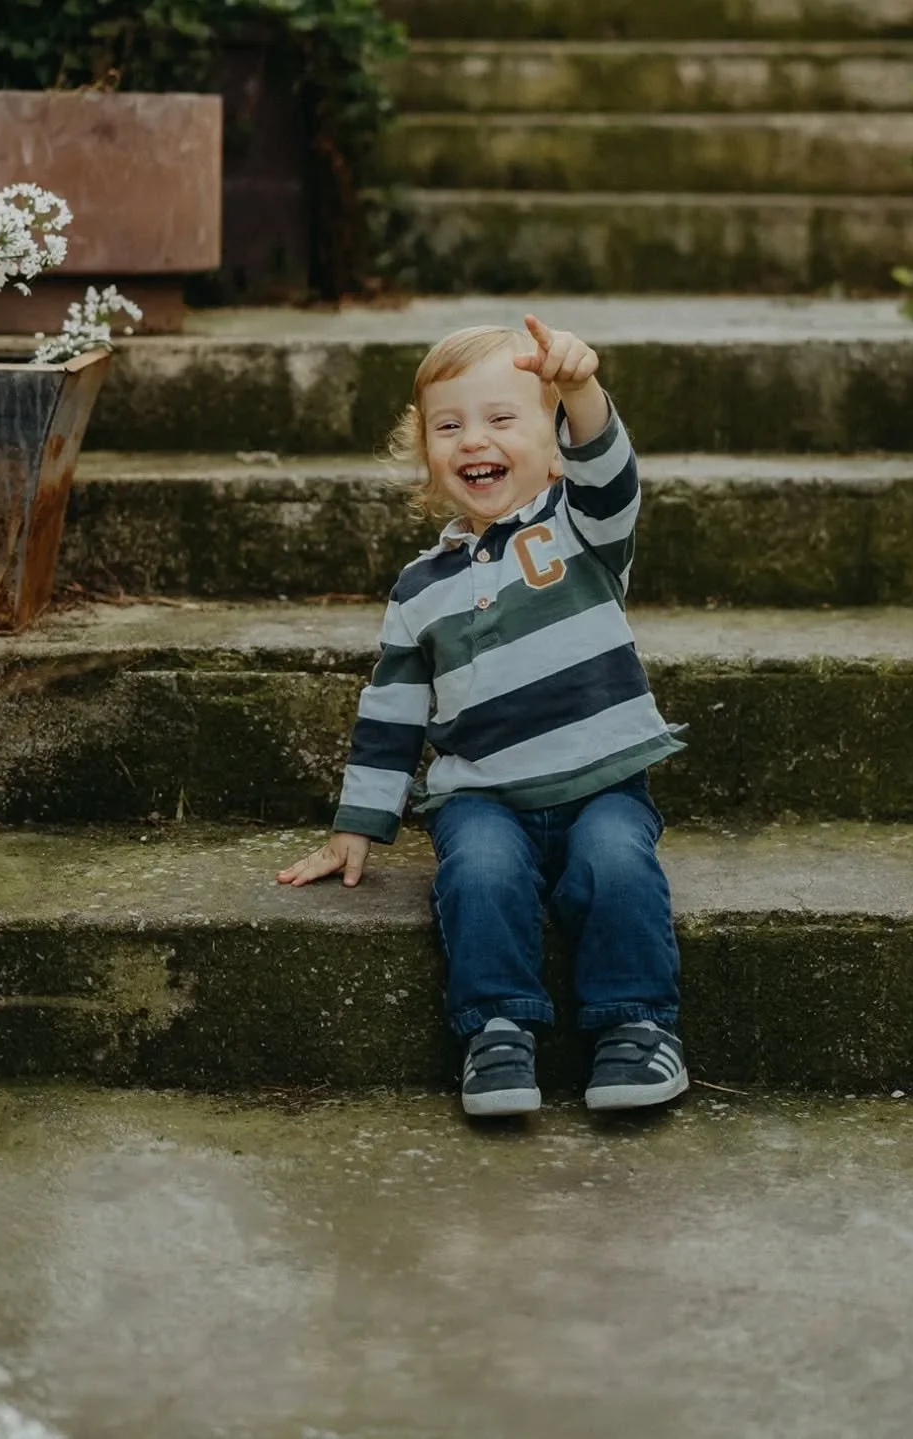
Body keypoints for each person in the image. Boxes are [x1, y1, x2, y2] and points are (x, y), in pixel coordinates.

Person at [277, 315, 688, 1118]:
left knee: (615, 862)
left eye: (503, 419)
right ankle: (497, 1028)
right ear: (425, 449)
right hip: (481, 796)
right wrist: (359, 821)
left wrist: (580, 389)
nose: (475, 440)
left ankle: (635, 1025)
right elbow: (391, 711)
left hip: (599, 782)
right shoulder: (419, 586)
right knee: (479, 874)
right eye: (449, 424)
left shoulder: (581, 527)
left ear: (552, 438)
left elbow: (609, 468)